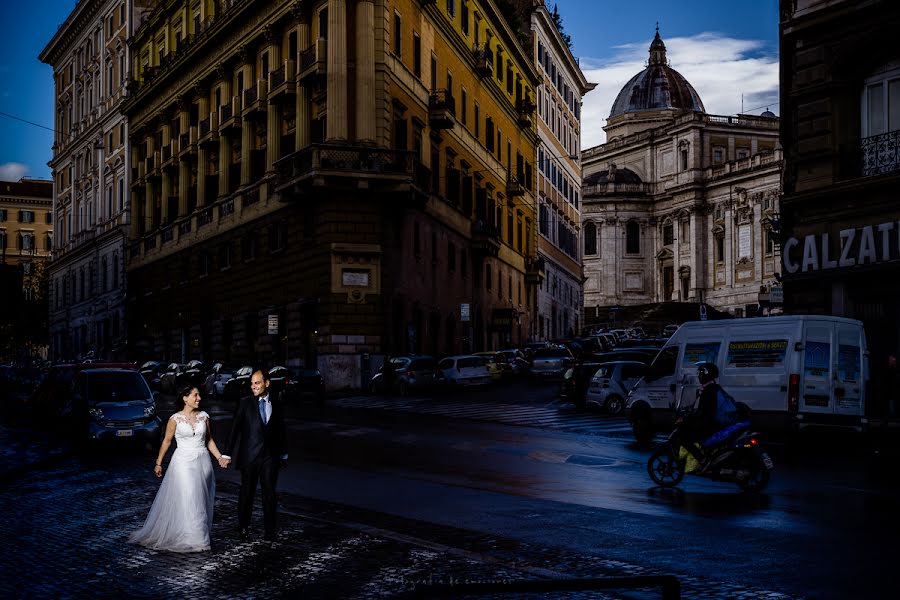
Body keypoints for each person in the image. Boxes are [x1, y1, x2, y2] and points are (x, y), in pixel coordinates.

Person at [129, 384, 229, 552]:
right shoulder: (175, 419)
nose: (199, 398)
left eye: (199, 396)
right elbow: (167, 441)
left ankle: (194, 532)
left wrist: (219, 457)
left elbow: (209, 440)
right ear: (185, 398)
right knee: (190, 496)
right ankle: (197, 538)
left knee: (200, 499)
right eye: (195, 395)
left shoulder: (204, 417)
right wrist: (159, 463)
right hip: (183, 462)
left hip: (203, 461)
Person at [222, 367, 288, 542]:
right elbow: (234, 429)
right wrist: (227, 454)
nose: (253, 386)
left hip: (270, 456)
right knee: (247, 493)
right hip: (249, 456)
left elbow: (281, 430)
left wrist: (283, 454)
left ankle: (270, 531)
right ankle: (243, 527)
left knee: (269, 493)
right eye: (252, 383)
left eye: (257, 383)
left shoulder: (277, 402)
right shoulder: (245, 403)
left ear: (267, 383)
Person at [678, 362, 732, 472]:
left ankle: (702, 460)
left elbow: (704, 414)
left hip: (712, 425)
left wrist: (686, 420)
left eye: (701, 374)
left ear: (706, 375)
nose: (699, 376)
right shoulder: (714, 388)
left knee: (684, 437)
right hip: (716, 423)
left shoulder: (708, 392)